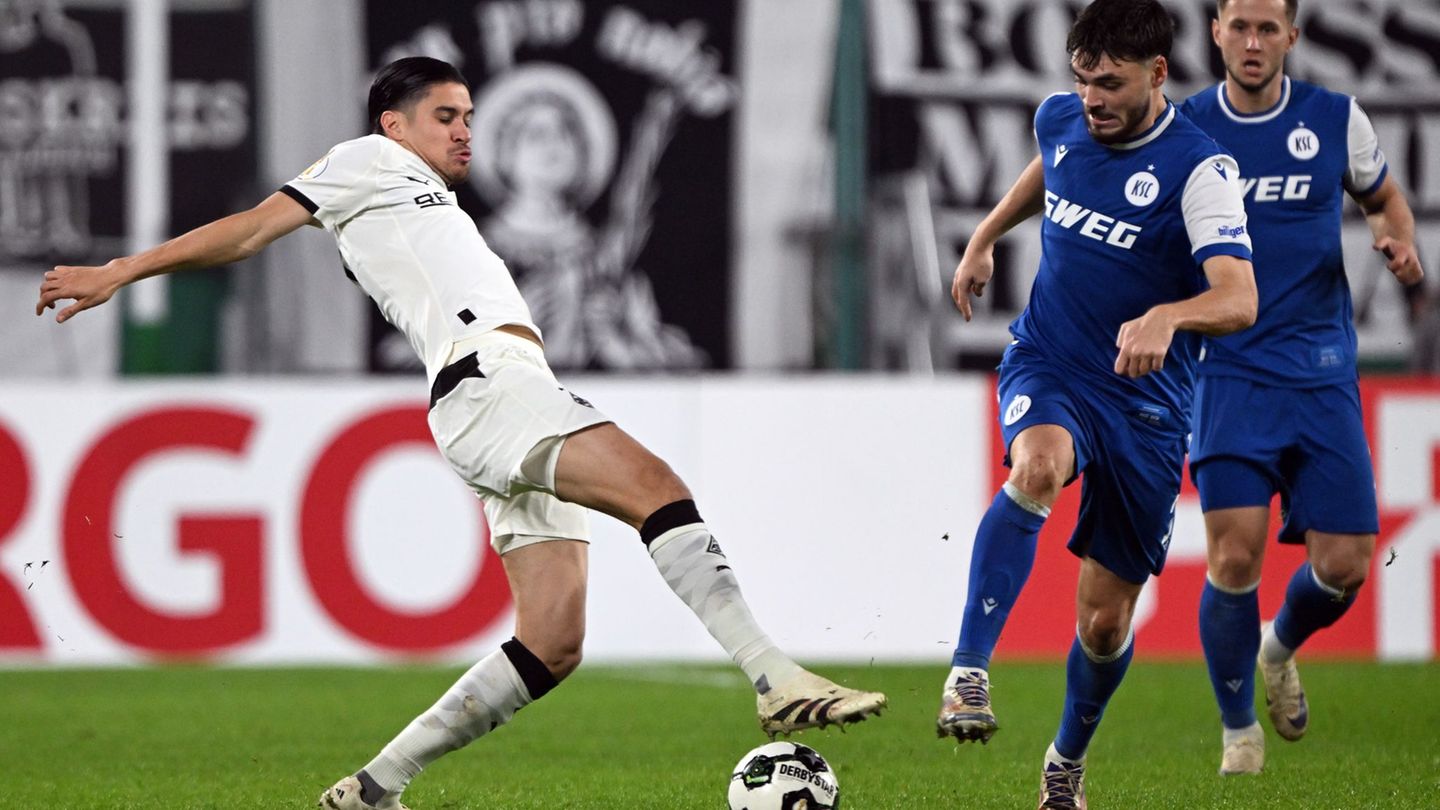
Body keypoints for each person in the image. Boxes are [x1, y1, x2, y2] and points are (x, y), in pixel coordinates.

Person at [35, 56, 886, 810]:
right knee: (655, 489)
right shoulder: (364, 162)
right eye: (446, 115)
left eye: (469, 116)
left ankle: (374, 788)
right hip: (490, 387)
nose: (465, 131)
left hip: (494, 395)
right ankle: (774, 676)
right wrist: (122, 270)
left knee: (552, 643)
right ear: (392, 124)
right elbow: (252, 229)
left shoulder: (422, 199)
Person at [937, 1, 1257, 806]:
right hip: (1052, 360)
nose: (1091, 100)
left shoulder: (1201, 171)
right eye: (1082, 81)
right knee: (1036, 467)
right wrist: (985, 236)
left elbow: (1240, 298)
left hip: (1147, 407)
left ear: (1158, 73)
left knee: (1105, 625)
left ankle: (1065, 765)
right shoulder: (1063, 118)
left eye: (1110, 84)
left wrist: (1168, 317)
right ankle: (969, 672)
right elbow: (1051, 165)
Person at [1178, 0, 1424, 776]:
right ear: (1215, 30)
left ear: (1292, 34)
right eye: (1239, 27)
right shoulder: (1184, 130)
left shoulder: (1336, 119)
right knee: (1233, 558)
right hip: (1229, 371)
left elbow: (1383, 199)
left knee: (1347, 563)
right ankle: (1239, 734)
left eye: (1267, 28)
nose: (1252, 42)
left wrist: (1398, 240)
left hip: (1321, 373)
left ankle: (1278, 649)